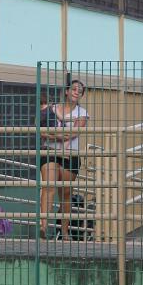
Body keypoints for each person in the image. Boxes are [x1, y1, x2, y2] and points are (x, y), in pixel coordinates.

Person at [39, 80, 88, 238]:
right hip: (50, 151)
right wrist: (59, 135)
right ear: (66, 91)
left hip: (70, 154)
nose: (76, 92)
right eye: (73, 89)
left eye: (79, 91)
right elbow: (41, 131)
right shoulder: (52, 109)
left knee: (66, 193)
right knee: (49, 187)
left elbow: (73, 133)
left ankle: (65, 231)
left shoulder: (82, 113)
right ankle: (43, 226)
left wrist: (54, 134)